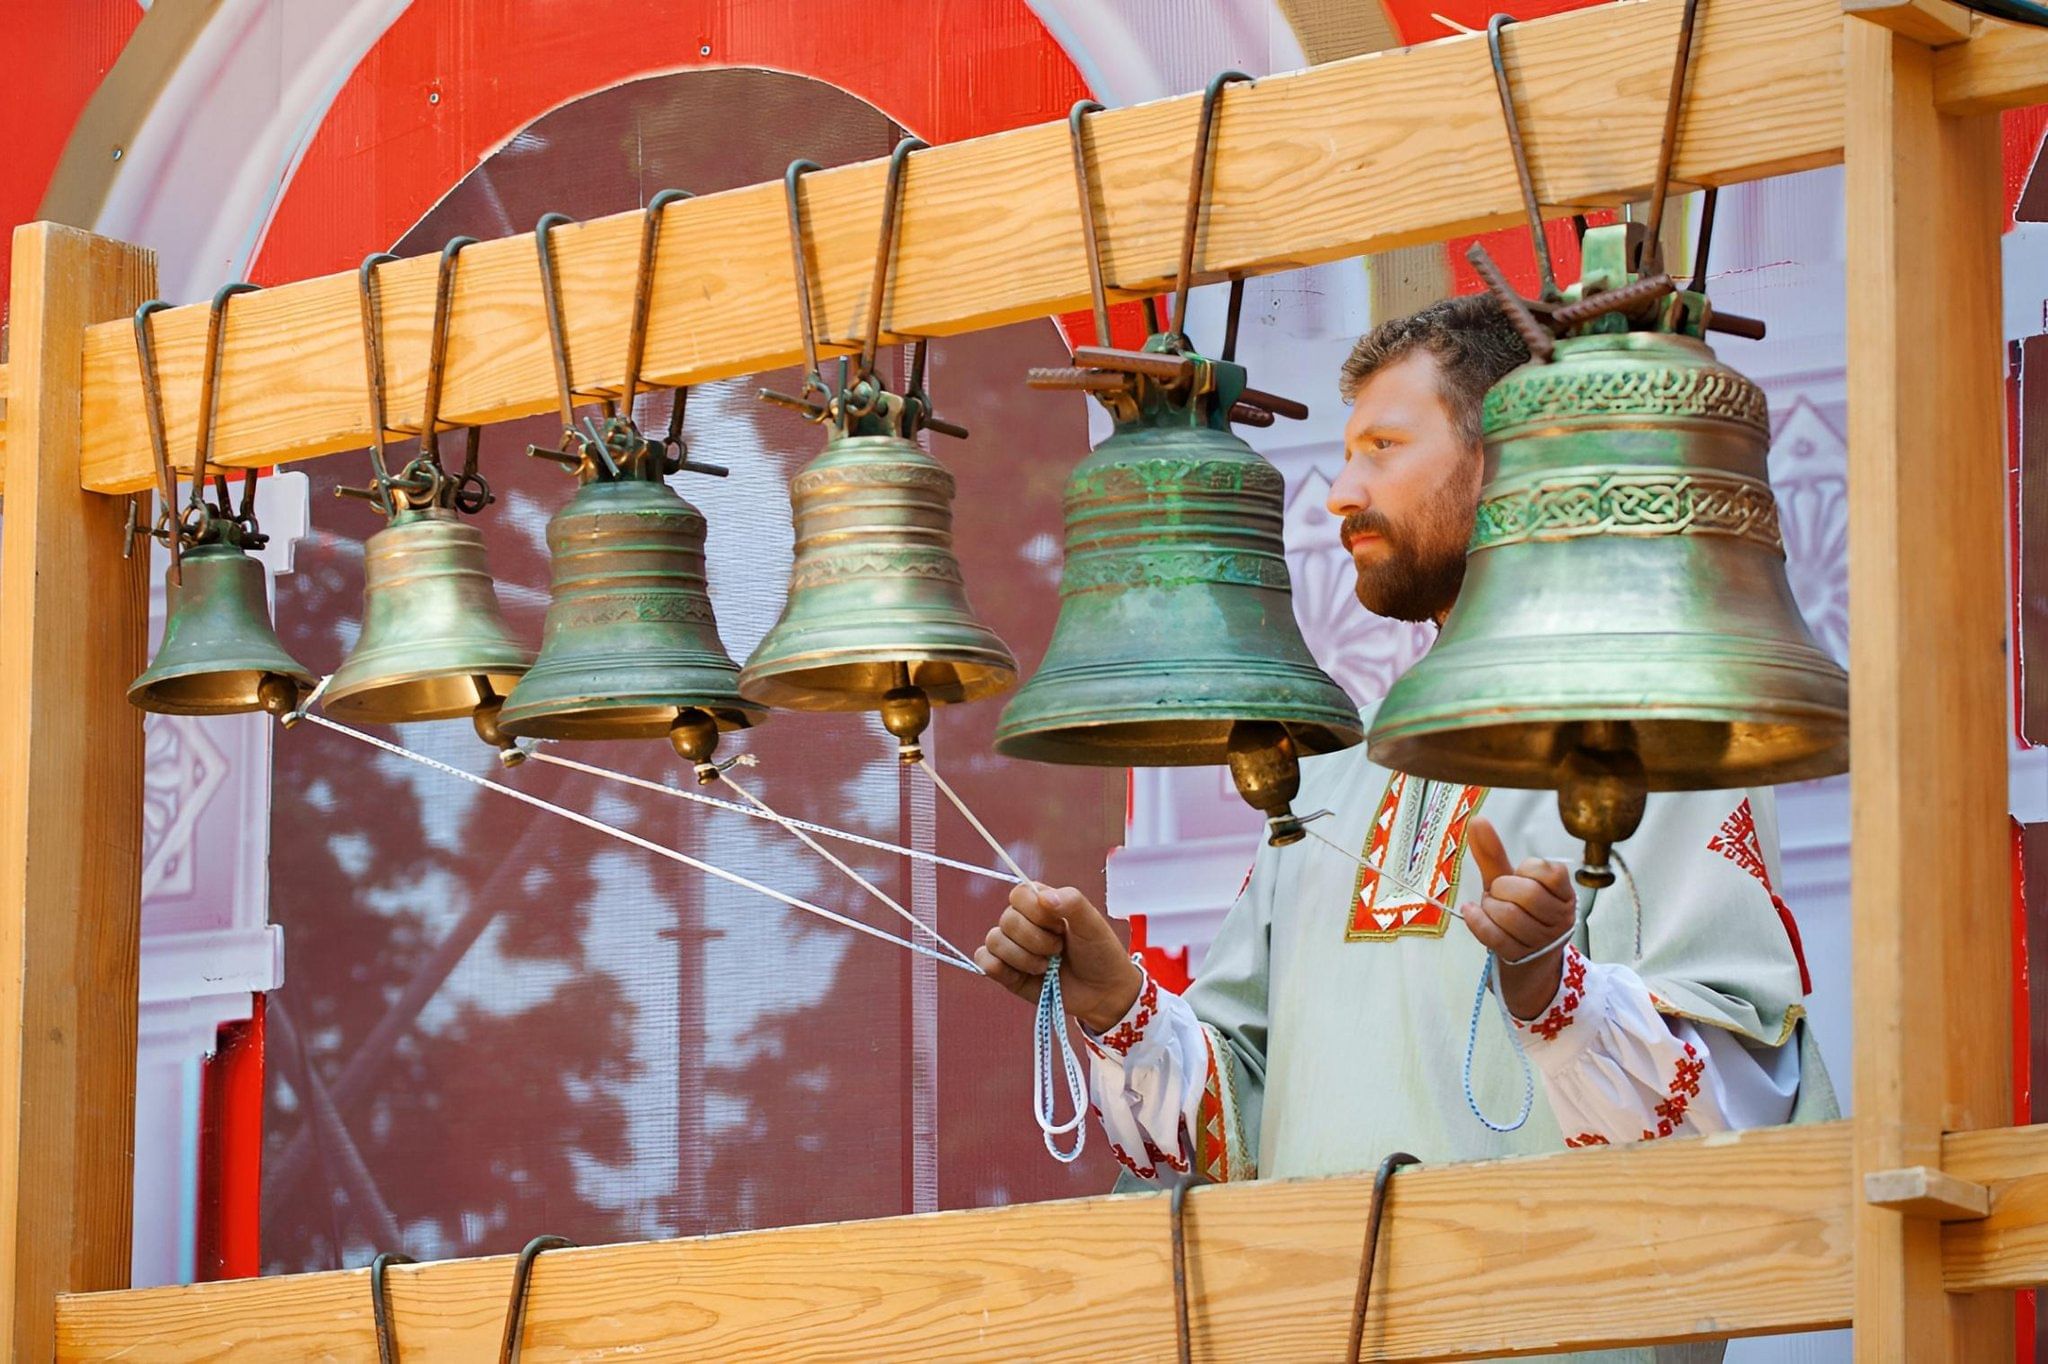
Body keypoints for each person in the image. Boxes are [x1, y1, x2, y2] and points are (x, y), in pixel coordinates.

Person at [978, 294, 1836, 1358]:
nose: (1338, 491)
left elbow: (1743, 1118)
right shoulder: (1332, 783)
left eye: (1382, 447)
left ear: (1500, 462)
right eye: (1345, 455)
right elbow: (1243, 1127)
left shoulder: (1668, 745)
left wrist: (1552, 993)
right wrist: (1114, 1004)